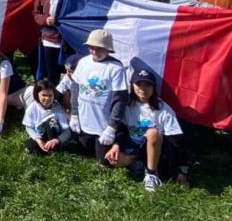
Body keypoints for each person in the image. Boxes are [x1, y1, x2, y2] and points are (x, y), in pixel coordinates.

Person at [104, 68, 189, 191]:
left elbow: (177, 142)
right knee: (114, 160)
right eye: (139, 84)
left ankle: (151, 173)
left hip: (157, 148)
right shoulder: (127, 105)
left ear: (154, 87)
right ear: (132, 85)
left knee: (152, 132)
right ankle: (138, 162)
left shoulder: (163, 109)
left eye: (147, 85)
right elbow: (121, 128)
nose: (143, 89)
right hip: (134, 144)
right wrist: (116, 145)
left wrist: (183, 172)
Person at [69, 29, 128, 162]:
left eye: (99, 49)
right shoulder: (84, 62)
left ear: (108, 49)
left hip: (103, 125)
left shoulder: (115, 67)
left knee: (103, 161)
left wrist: (112, 127)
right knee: (83, 153)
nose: (95, 52)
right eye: (91, 48)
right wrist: (74, 114)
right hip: (84, 121)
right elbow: (75, 88)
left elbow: (120, 100)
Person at [32, 0, 67, 84]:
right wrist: (46, 20)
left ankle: (70, 101)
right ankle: (54, 101)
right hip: (50, 39)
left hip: (69, 39)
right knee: (52, 74)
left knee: (71, 72)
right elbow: (36, 13)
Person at [19, 79, 71, 156]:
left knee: (50, 121)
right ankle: (46, 148)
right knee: (29, 149)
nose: (47, 98)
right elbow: (29, 127)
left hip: (55, 136)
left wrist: (57, 140)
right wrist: (38, 140)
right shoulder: (32, 108)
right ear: (37, 94)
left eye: (50, 95)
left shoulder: (58, 108)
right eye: (44, 95)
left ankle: (53, 148)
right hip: (40, 135)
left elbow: (67, 132)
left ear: (54, 95)